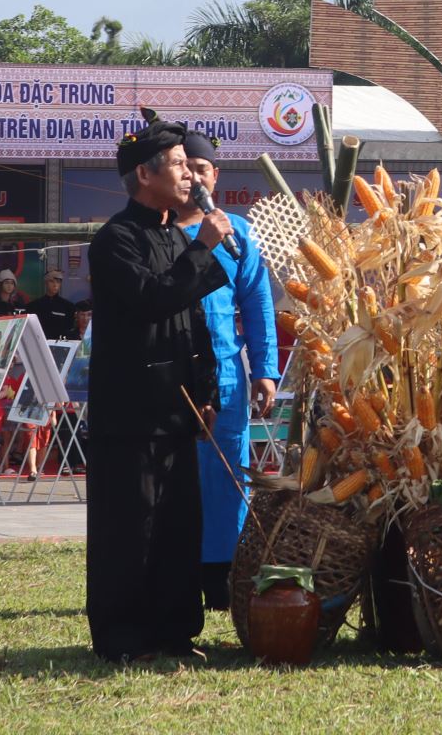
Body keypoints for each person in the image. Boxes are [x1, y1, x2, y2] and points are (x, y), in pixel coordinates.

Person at [85, 109, 233, 662]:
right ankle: (123, 638)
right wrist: (204, 248)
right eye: (176, 164)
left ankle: (175, 632)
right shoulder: (114, 240)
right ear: (145, 176)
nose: (190, 175)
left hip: (179, 407)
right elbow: (153, 298)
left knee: (177, 526)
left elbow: (192, 323)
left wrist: (209, 394)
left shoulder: (176, 235)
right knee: (130, 529)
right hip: (131, 414)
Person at [168, 131, 279, 609]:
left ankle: (223, 575)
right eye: (185, 167)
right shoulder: (160, 231)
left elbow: (257, 305)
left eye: (203, 168)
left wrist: (266, 370)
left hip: (228, 380)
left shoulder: (238, 232)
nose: (194, 176)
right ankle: (174, 573)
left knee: (227, 476)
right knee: (176, 480)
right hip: (171, 378)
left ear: (217, 176)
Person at [25, 269, 77, 341]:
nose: (55, 285)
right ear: (46, 283)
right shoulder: (33, 306)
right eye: (52, 281)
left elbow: (70, 328)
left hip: (61, 345)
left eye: (58, 282)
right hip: (39, 343)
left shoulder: (68, 306)